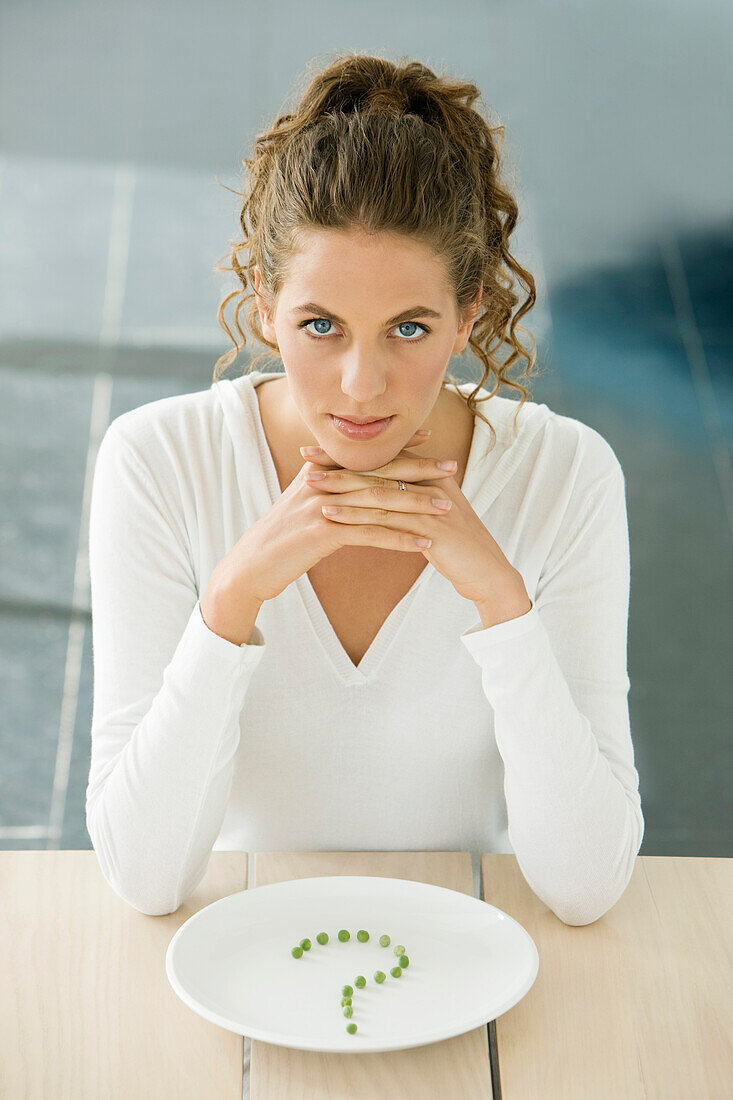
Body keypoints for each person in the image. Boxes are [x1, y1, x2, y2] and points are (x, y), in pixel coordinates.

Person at [86, 54, 644, 941]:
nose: (360, 385)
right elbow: (145, 876)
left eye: (409, 329)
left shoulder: (565, 475)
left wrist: (501, 602)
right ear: (264, 304)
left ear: (468, 316)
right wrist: (234, 598)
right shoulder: (158, 460)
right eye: (320, 326)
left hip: (461, 953)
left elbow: (585, 885)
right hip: (247, 950)